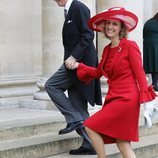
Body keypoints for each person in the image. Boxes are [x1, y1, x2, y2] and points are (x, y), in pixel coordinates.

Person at [70, 7, 157, 158]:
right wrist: (80, 66)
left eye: (115, 24)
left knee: (90, 126)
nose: (110, 27)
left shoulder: (130, 46)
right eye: (108, 23)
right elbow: (99, 72)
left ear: (121, 28)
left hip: (127, 99)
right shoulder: (107, 49)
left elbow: (140, 74)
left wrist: (148, 100)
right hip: (113, 97)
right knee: (123, 144)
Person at [45, 0, 102, 155]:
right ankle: (90, 144)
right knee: (78, 106)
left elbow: (88, 35)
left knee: (51, 85)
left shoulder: (79, 7)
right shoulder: (70, 10)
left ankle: (74, 118)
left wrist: (74, 57)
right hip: (74, 64)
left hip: (79, 64)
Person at [143, 13, 158, 92]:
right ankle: (155, 84)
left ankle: (154, 83)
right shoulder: (154, 22)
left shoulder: (149, 22)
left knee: (153, 64)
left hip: (148, 45)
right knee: (155, 64)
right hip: (155, 45)